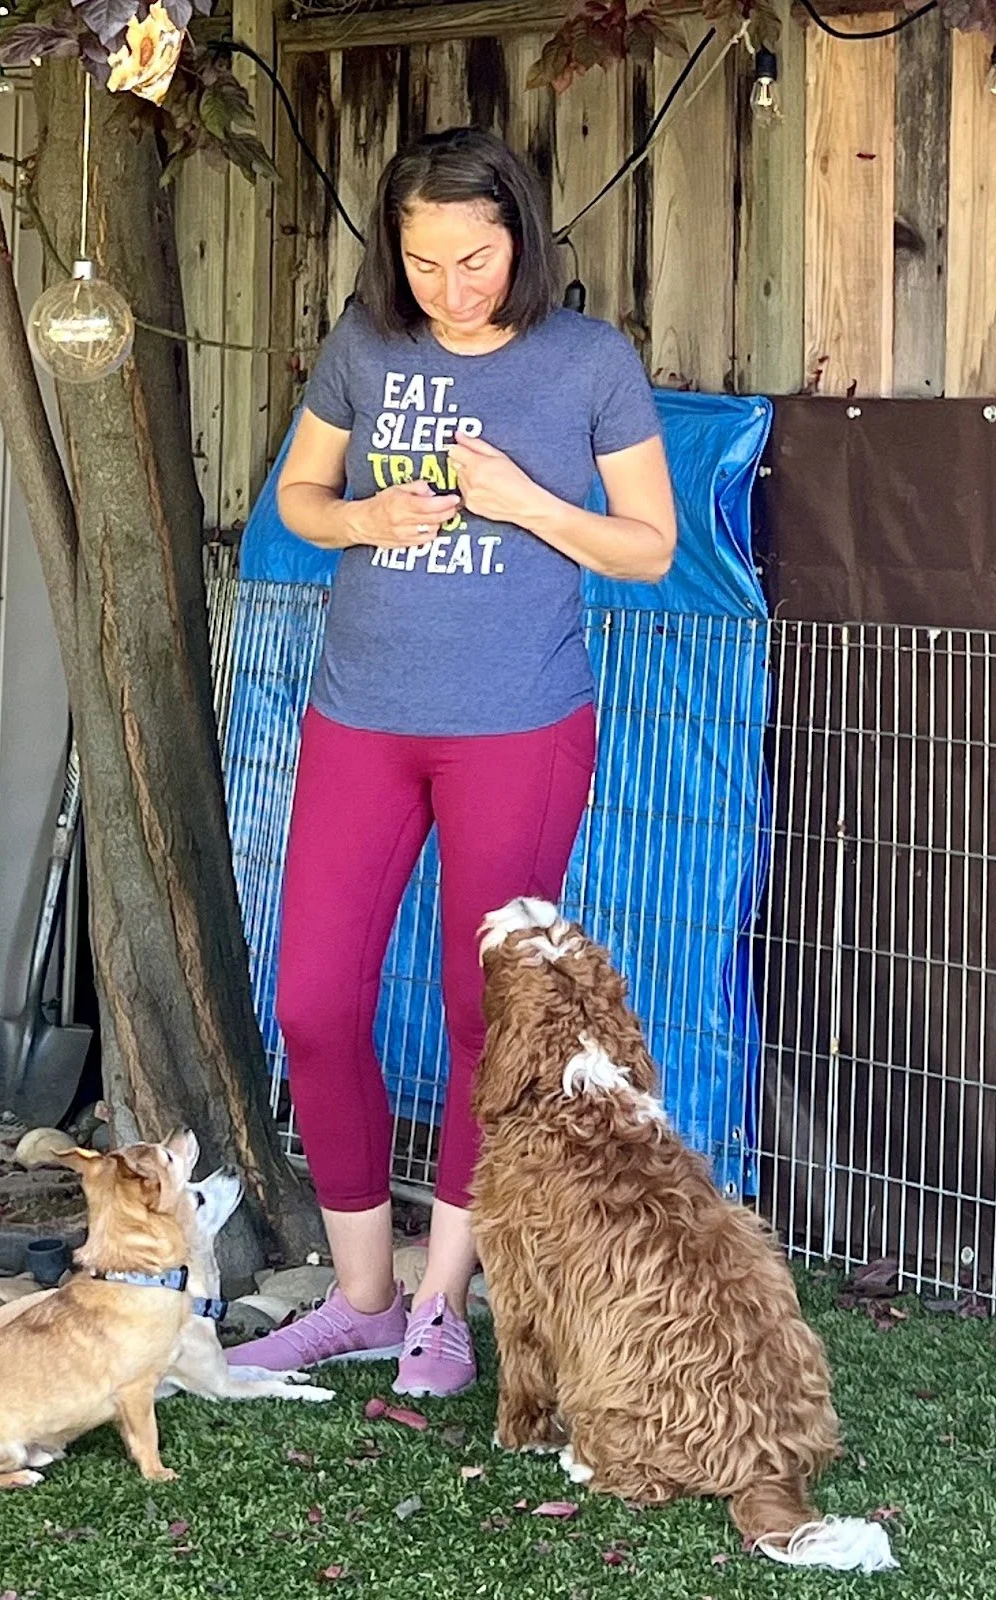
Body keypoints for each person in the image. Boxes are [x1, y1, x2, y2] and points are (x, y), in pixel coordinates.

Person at [226, 126, 676, 1398]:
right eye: (424, 261)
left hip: (518, 727)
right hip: (361, 715)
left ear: (520, 236)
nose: (451, 287)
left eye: (474, 258)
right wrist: (363, 515)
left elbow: (646, 547)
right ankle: (359, 1295)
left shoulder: (588, 359)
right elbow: (298, 499)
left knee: (489, 1016)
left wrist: (523, 499)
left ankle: (440, 1300)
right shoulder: (367, 345)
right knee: (315, 1004)